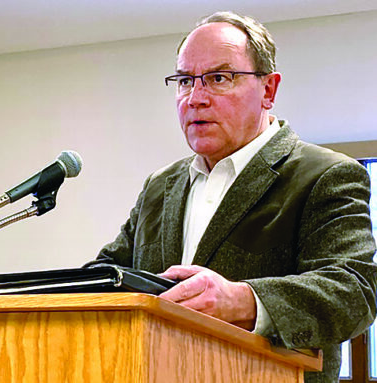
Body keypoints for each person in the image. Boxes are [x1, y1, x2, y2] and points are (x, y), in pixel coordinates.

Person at [89, 11, 377, 382]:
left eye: (219, 78)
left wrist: (241, 300)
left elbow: (353, 292)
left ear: (268, 90)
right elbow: (109, 277)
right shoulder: (160, 186)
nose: (195, 98)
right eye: (184, 81)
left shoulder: (325, 175)